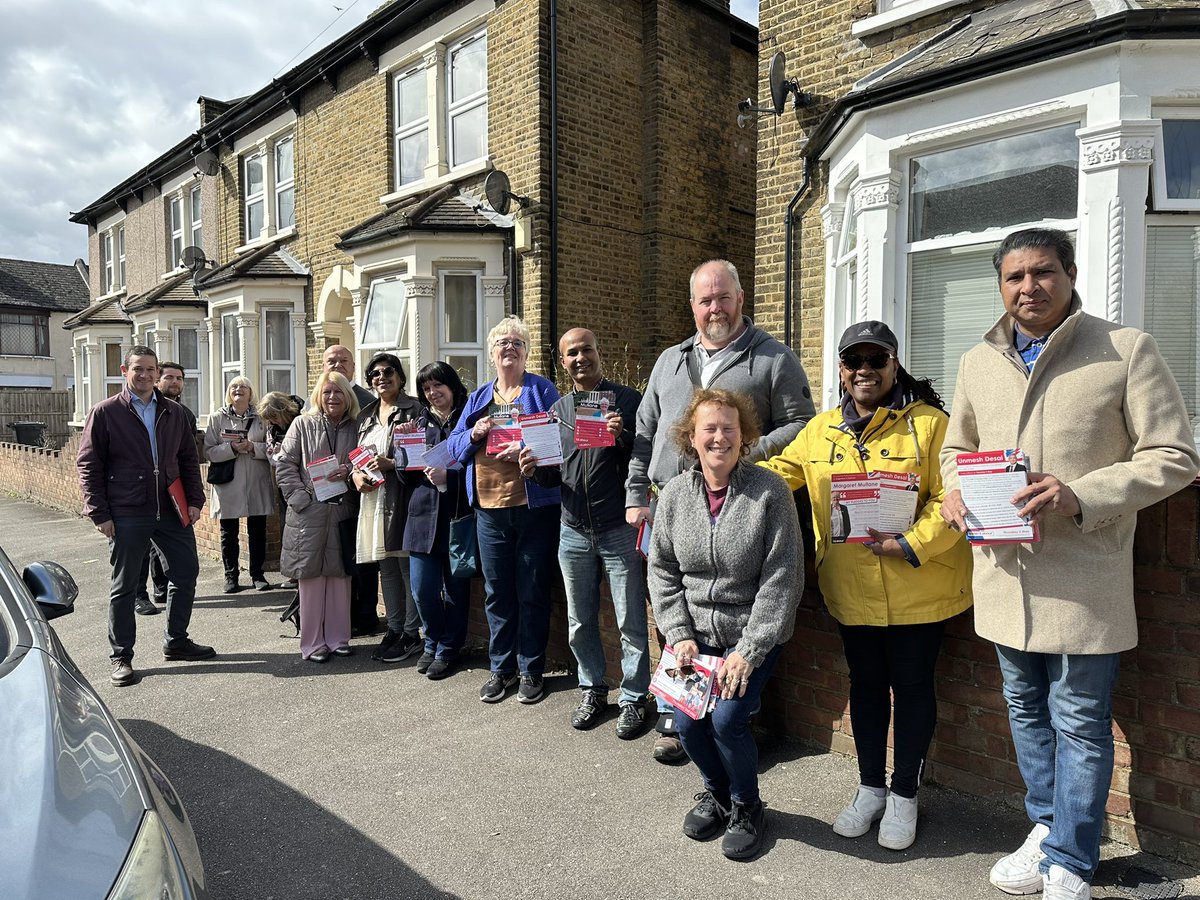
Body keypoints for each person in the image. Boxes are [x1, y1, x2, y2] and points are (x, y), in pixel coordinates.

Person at [939, 228, 1200, 899]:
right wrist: (954, 493)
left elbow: (1174, 456)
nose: (1029, 287)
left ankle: (1073, 861)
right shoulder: (975, 361)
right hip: (1003, 575)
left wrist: (1081, 492)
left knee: (1080, 720)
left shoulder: (1125, 350)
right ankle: (1048, 824)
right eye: (1015, 276)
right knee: (1025, 709)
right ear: (1001, 285)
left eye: (1044, 272)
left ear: (1071, 274)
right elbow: (954, 448)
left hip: (1085, 579)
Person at [759, 320, 973, 851]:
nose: (865, 371)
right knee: (867, 689)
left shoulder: (930, 425)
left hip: (918, 589)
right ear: (840, 369)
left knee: (914, 688)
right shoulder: (821, 430)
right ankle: (871, 787)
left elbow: (953, 499)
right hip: (850, 588)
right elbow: (774, 474)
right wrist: (712, 464)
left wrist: (912, 544)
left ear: (894, 365)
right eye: (854, 361)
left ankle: (905, 795)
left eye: (877, 360)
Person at [625, 258, 815, 762]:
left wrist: (740, 454)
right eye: (705, 299)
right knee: (671, 605)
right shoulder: (669, 360)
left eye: (723, 297)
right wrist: (634, 494)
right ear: (692, 306)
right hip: (671, 503)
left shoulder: (772, 357)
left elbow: (802, 424)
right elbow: (644, 432)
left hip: (745, 505)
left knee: (744, 609)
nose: (715, 307)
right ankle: (679, 712)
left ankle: (742, 721)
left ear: (740, 299)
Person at [647, 389, 802, 860]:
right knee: (687, 723)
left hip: (750, 634)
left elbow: (783, 578)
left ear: (745, 437)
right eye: (709, 429)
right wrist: (679, 635)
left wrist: (748, 651)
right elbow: (662, 569)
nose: (719, 437)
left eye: (729, 429)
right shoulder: (674, 496)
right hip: (692, 638)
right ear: (691, 438)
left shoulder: (769, 492)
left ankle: (748, 806)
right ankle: (717, 794)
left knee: (728, 720)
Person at [520, 328, 650, 738]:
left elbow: (647, 458)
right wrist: (532, 468)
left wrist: (621, 436)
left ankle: (632, 699)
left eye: (587, 350)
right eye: (572, 353)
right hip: (573, 529)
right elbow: (551, 474)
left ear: (599, 353)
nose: (581, 358)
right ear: (562, 362)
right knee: (579, 621)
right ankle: (592, 688)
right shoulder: (557, 411)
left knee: (631, 621)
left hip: (617, 529)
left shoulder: (628, 401)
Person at [76, 345, 215, 688]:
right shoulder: (106, 412)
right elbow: (88, 465)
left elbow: (187, 459)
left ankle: (176, 641)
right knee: (123, 587)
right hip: (127, 510)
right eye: (138, 369)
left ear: (157, 372)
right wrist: (99, 513)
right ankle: (121, 655)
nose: (146, 375)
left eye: (151, 369)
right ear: (125, 371)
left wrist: (195, 500)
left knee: (185, 573)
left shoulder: (174, 412)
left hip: (170, 508)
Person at [446, 316, 561, 704]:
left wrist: (529, 446)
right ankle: (501, 668)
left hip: (533, 508)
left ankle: (531, 669)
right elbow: (454, 446)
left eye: (517, 343)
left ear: (526, 352)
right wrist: (476, 432)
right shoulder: (479, 399)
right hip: (489, 512)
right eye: (502, 343)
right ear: (492, 353)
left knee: (532, 589)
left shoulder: (541, 390)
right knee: (496, 591)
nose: (509, 348)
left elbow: (559, 438)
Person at [275, 371, 361, 663]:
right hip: (308, 514)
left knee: (339, 577)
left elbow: (365, 461)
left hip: (342, 510)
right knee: (310, 578)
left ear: (347, 396)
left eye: (338, 392)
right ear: (318, 396)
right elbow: (285, 465)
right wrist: (300, 500)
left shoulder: (358, 426)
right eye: (327, 392)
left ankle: (338, 638)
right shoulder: (302, 424)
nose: (333, 397)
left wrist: (349, 472)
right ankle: (311, 644)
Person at [402, 361, 473, 680]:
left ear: (452, 384)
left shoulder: (470, 418)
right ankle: (432, 640)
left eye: (437, 385)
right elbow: (405, 477)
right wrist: (401, 448)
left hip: (458, 515)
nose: (432, 393)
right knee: (423, 590)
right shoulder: (415, 422)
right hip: (422, 518)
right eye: (426, 388)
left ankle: (447, 649)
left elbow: (480, 469)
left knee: (457, 590)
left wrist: (451, 476)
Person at [353, 352, 422, 664]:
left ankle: (411, 632)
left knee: (406, 567)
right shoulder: (366, 415)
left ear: (400, 376)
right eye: (375, 373)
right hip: (373, 498)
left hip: (402, 498)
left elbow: (422, 456)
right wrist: (356, 476)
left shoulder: (414, 410)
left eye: (389, 371)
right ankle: (394, 628)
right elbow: (354, 457)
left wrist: (392, 463)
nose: (382, 377)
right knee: (387, 568)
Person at [323, 343, 382, 635]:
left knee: (363, 559)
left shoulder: (367, 400)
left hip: (360, 494)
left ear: (353, 367)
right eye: (331, 360)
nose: (337, 364)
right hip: (323, 500)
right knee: (334, 559)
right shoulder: (318, 398)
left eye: (343, 360)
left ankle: (366, 616)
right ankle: (339, 617)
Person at [134, 360, 196, 616]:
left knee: (177, 559)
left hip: (172, 494)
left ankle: (163, 591)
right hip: (137, 496)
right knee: (139, 551)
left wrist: (193, 498)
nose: (174, 382)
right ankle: (140, 595)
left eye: (179, 378)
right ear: (159, 380)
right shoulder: (129, 409)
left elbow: (189, 458)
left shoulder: (184, 414)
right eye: (169, 377)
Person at [205, 376, 277, 593]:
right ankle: (231, 576)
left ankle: (257, 574)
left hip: (256, 481)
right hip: (229, 483)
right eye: (234, 386)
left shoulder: (262, 418)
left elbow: (272, 450)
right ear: (229, 392)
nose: (238, 390)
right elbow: (208, 451)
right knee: (229, 532)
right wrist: (232, 449)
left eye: (243, 386)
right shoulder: (217, 417)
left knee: (258, 530)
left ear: (250, 392)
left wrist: (252, 446)